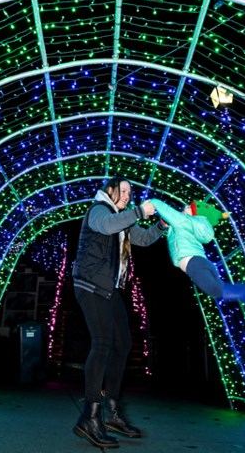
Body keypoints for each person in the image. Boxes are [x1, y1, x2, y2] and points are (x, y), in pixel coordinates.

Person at [71, 176, 166, 449]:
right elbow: (107, 226)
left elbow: (144, 239)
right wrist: (137, 211)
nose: (126, 195)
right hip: (90, 285)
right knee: (102, 343)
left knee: (123, 344)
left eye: (129, 192)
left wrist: (160, 225)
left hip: (108, 290)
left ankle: (111, 412)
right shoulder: (99, 210)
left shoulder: (124, 219)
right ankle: (89, 417)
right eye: (122, 190)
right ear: (109, 190)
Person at [149, 198, 245, 314]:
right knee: (218, 288)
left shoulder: (183, 220)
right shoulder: (195, 224)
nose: (184, 208)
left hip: (193, 263)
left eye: (188, 207)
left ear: (194, 212)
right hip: (201, 262)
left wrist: (152, 201)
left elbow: (165, 210)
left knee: (215, 289)